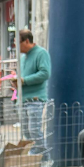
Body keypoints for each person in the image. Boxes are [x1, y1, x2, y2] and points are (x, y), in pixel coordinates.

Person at [18, 30, 51, 158]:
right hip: (24, 98)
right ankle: (38, 155)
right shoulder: (22, 58)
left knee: (34, 130)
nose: (17, 47)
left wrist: (24, 81)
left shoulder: (41, 53)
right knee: (27, 130)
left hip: (35, 98)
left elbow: (45, 73)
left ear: (27, 41)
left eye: (18, 43)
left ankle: (44, 157)